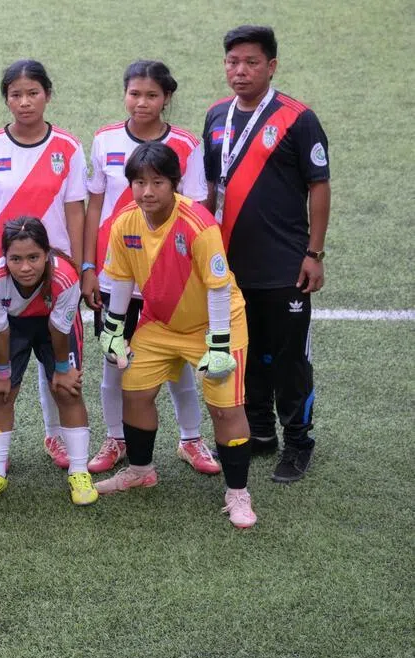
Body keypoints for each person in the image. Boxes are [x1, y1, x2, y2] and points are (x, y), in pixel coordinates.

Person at [95, 142, 257, 529]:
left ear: (175, 183)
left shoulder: (199, 224)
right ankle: (141, 471)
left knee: (226, 409)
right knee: (134, 391)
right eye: (139, 182)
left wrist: (219, 346)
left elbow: (218, 288)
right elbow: (121, 279)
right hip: (161, 323)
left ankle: (238, 493)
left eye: (157, 182)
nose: (147, 191)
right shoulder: (124, 223)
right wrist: (114, 329)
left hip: (216, 325)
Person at [204, 25, 330, 483]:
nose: (240, 71)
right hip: (230, 265)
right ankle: (260, 432)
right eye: (232, 62)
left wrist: (314, 252)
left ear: (271, 66)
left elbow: (319, 186)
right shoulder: (217, 116)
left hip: (284, 266)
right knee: (246, 353)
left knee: (290, 360)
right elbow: (210, 188)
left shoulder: (298, 118)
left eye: (251, 62)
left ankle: (298, 442)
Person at [81, 59, 219, 476]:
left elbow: (196, 208)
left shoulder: (186, 143)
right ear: (124, 94)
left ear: (167, 98)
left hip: (170, 278)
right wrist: (89, 266)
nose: (142, 102)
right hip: (116, 275)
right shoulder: (104, 139)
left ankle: (191, 439)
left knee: (176, 363)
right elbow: (94, 207)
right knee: (114, 358)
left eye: (152, 95)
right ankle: (116, 438)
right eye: (134, 93)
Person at [0, 59, 86, 472]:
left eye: (32, 93)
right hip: (7, 278)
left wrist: (79, 268)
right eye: (15, 94)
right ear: (6, 99)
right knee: (4, 380)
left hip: (55, 277)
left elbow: (75, 212)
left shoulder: (68, 147)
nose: (24, 102)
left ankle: (59, 441)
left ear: (47, 95)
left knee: (62, 373)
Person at [0, 216, 97, 506]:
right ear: (4, 257)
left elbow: (59, 329)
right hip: (12, 327)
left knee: (67, 390)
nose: (25, 267)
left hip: (54, 328)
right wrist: (2, 373)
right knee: (1, 394)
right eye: (15, 259)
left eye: (33, 257)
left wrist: (63, 370)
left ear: (47, 253)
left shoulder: (65, 277)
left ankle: (79, 472)